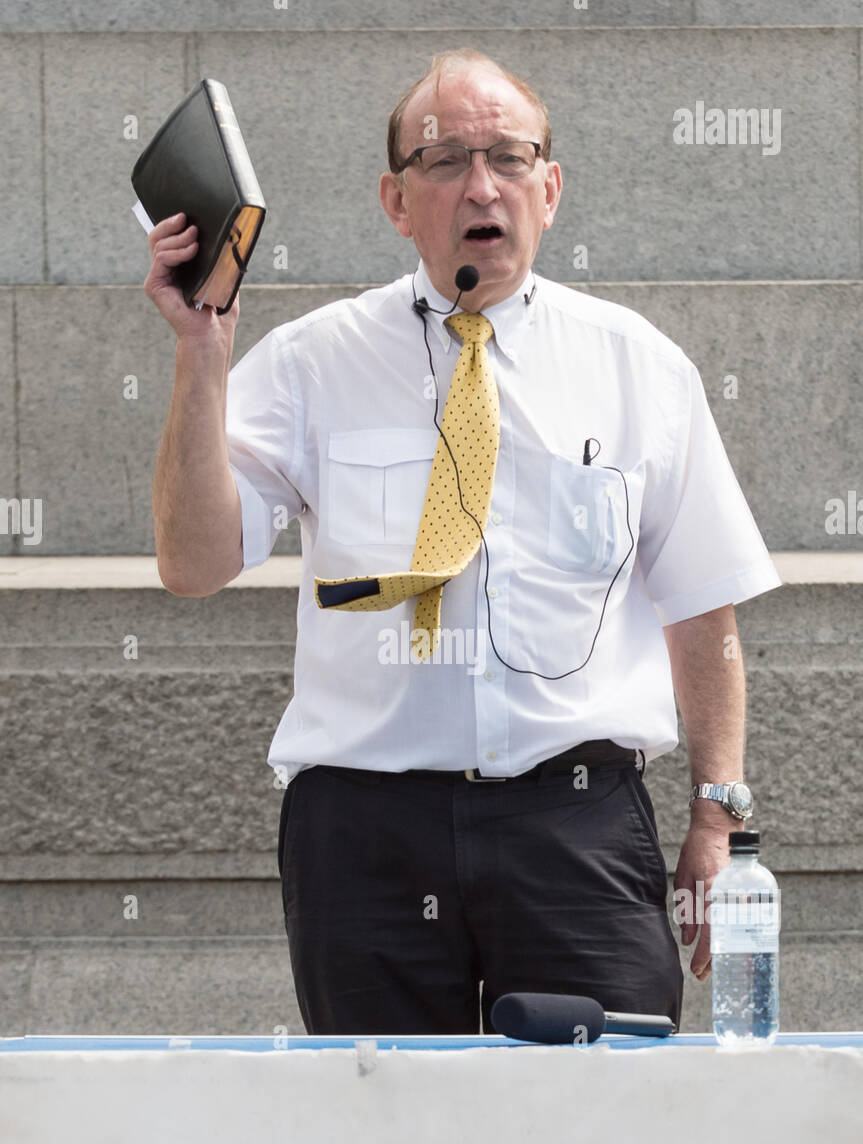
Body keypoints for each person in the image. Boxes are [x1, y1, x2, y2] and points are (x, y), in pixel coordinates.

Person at [145, 49, 781, 1036]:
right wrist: (200, 354)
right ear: (397, 202)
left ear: (549, 188)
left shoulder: (637, 369)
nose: (480, 185)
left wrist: (716, 812)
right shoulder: (313, 363)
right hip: (365, 830)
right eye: (443, 163)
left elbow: (701, 605)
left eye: (507, 157)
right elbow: (192, 564)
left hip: (574, 821)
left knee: (603, 1133)